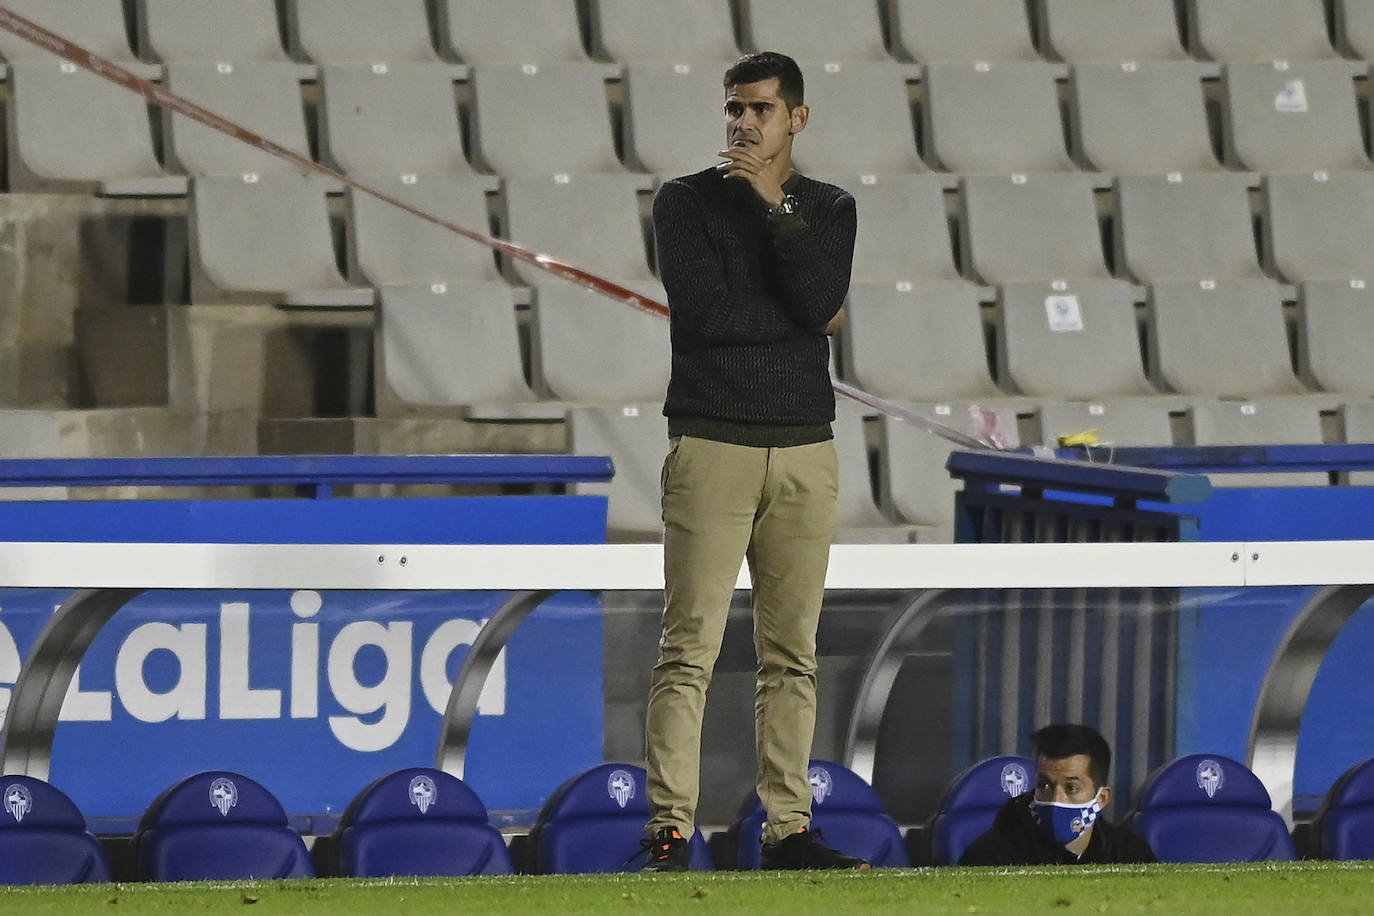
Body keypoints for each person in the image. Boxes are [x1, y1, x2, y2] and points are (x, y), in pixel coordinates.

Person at [639, 51, 865, 872]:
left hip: (807, 445)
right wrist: (804, 321)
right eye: (733, 108)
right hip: (712, 442)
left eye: (760, 110)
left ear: (795, 119)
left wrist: (775, 208)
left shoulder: (830, 207)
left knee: (792, 653)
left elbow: (814, 301)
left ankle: (790, 830)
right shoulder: (686, 201)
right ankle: (670, 829)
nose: (742, 122)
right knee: (688, 645)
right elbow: (707, 316)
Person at [960, 724, 1157, 866]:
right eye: (1044, 785)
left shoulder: (1130, 856)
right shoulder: (990, 858)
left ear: (1102, 798)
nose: (1055, 799)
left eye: (1071, 788)